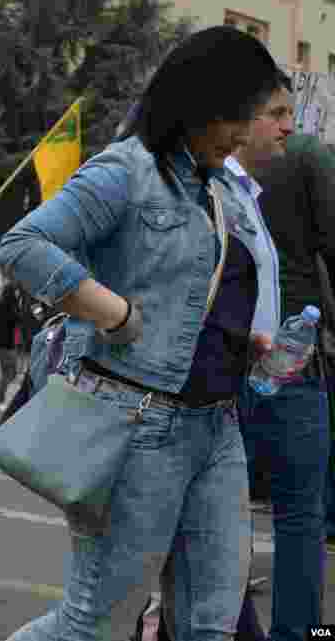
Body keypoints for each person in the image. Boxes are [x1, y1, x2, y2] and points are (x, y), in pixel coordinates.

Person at [0, 26, 286, 641]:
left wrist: (241, 344)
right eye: (241, 116)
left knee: (211, 625)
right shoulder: (126, 170)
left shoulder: (214, 186)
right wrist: (114, 313)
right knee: (93, 626)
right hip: (140, 427)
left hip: (218, 426)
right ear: (201, 105)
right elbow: (22, 245)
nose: (245, 134)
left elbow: (185, 291)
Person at [134, 73, 293, 641]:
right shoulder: (181, 183)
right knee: (100, 606)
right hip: (178, 401)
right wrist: (118, 317)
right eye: (276, 113)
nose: (289, 126)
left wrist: (259, 344)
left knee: (207, 572)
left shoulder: (244, 194)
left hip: (226, 391)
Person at [244, 130, 334, 641]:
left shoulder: (201, 151)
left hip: (219, 355)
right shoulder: (304, 154)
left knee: (211, 509)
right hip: (291, 353)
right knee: (299, 513)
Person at [0, 278, 23, 409]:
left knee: (8, 373)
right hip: (5, 345)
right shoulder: (6, 306)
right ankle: (0, 399)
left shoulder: (5, 304)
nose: (17, 293)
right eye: (15, 291)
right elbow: (15, 319)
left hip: (5, 344)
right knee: (11, 373)